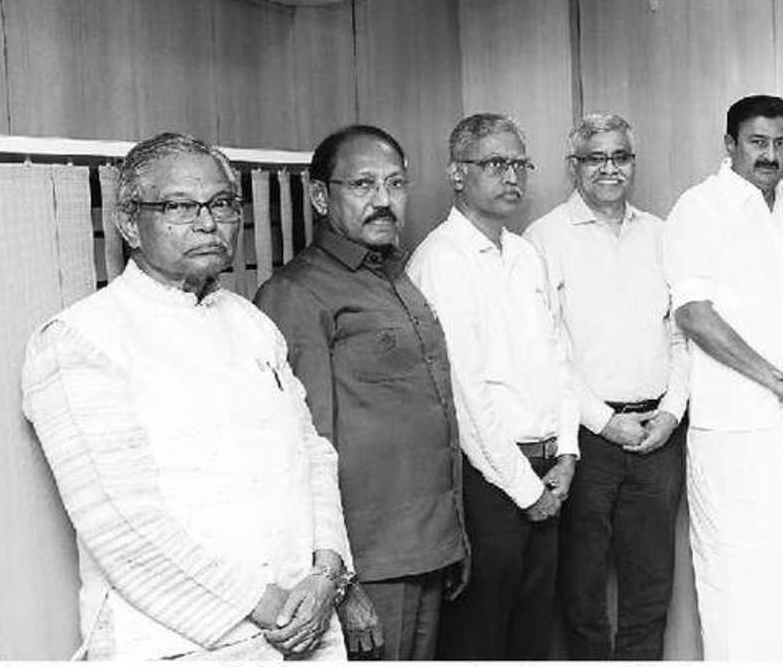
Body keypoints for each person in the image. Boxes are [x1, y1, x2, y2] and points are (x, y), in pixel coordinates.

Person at [21, 132, 352, 660]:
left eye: (222, 203)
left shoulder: (251, 321)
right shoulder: (79, 339)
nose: (207, 223)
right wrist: (272, 606)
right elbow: (122, 527)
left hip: (305, 620)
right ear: (129, 223)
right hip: (182, 640)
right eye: (178, 206)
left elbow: (313, 454)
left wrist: (326, 574)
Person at [254, 125, 468, 660]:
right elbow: (302, 452)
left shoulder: (397, 276)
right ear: (321, 196)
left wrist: (455, 537)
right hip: (367, 567)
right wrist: (343, 586)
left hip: (428, 549)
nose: (383, 200)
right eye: (363, 184)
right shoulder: (296, 293)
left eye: (395, 184)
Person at [407, 113, 616, 659]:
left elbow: (558, 361)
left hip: (548, 471)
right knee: (482, 636)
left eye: (519, 164)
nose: (511, 176)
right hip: (488, 480)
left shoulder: (524, 255)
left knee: (531, 634)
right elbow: (465, 397)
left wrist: (567, 454)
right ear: (457, 173)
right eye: (495, 163)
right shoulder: (441, 260)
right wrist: (527, 490)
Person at [663, 94, 783, 659]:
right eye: (757, 142)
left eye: (781, 143)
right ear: (730, 145)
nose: (770, 155)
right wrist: (775, 379)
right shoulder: (699, 208)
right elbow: (693, 314)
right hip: (731, 432)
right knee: (733, 579)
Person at [525, 114, 689, 660]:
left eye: (620, 156)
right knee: (582, 592)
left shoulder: (662, 235)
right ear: (572, 166)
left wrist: (671, 413)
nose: (609, 168)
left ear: (632, 163)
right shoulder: (544, 239)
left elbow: (681, 337)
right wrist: (603, 421)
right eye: (595, 158)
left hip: (658, 436)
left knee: (651, 589)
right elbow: (547, 349)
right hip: (585, 440)